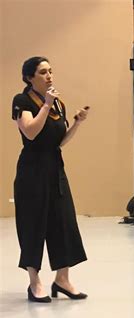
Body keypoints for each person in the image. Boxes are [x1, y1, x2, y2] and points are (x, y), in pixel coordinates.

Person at [12, 56, 89, 302]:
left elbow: (59, 142)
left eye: (50, 71)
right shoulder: (22, 100)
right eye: (43, 72)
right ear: (29, 77)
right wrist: (45, 104)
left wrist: (76, 123)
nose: (49, 76)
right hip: (32, 171)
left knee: (64, 222)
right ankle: (34, 282)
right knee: (33, 224)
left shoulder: (59, 104)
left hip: (55, 168)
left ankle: (62, 280)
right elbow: (31, 132)